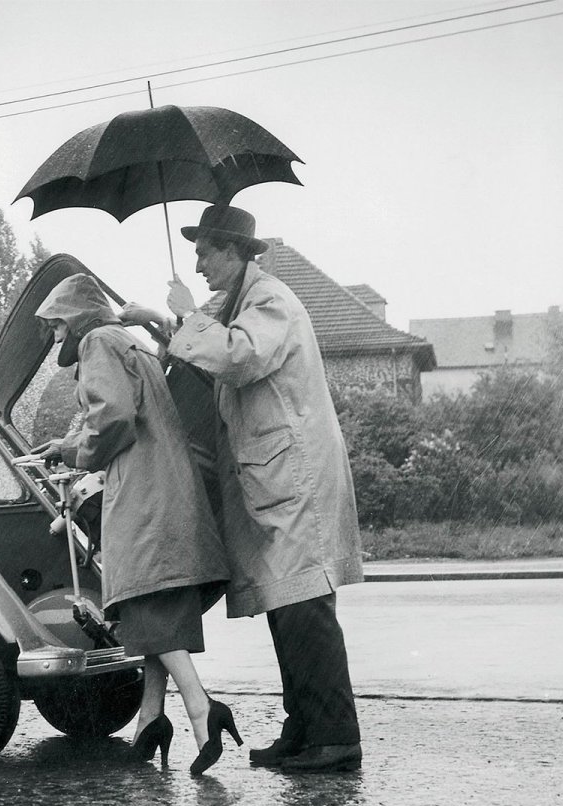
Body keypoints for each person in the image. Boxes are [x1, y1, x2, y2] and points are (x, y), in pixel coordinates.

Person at [121, 204, 364, 773]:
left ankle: (335, 738)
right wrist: (166, 323)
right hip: (278, 476)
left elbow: (240, 355)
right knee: (287, 605)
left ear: (234, 251)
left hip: (294, 477)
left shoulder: (269, 300)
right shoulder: (241, 305)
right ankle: (303, 730)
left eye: (206, 250)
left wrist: (184, 314)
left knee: (304, 607)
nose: (199, 262)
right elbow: (215, 368)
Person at [35, 272, 238, 775]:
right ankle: (151, 720)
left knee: (143, 601)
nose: (55, 337)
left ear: (77, 318)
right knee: (156, 604)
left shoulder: (99, 342)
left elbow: (115, 418)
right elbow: (130, 410)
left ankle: (202, 709)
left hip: (142, 489)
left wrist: (79, 456)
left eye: (57, 324)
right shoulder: (132, 343)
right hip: (169, 483)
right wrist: (65, 447)